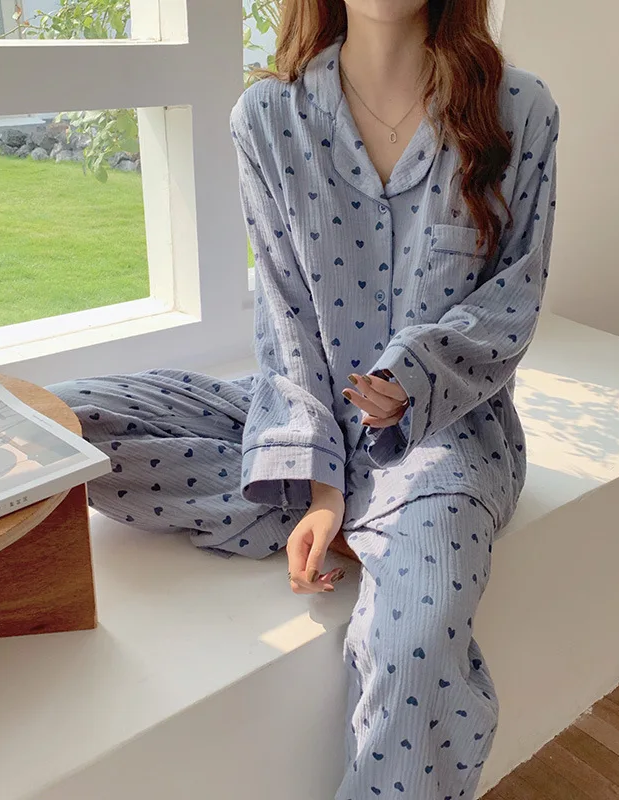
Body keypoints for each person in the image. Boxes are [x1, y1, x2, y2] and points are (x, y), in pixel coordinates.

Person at [48, 0, 559, 796]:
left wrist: (411, 380)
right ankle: (335, 505)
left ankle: (363, 515)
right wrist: (321, 485)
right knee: (61, 421)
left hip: (445, 438)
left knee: (414, 648)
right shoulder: (268, 116)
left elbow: (513, 302)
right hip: (302, 402)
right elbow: (285, 318)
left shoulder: (518, 110)